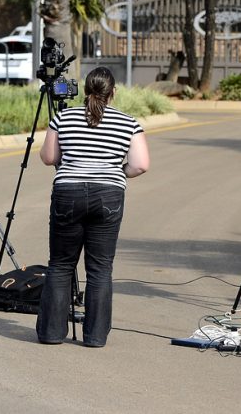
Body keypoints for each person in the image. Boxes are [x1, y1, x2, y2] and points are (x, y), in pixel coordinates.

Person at [36, 67, 150, 347]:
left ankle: (51, 333)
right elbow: (140, 165)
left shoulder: (63, 117)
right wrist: (117, 172)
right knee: (100, 268)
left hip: (68, 193)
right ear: (113, 92)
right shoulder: (129, 123)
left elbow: (49, 157)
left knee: (61, 264)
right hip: (108, 195)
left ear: (85, 90)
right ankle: (95, 336)